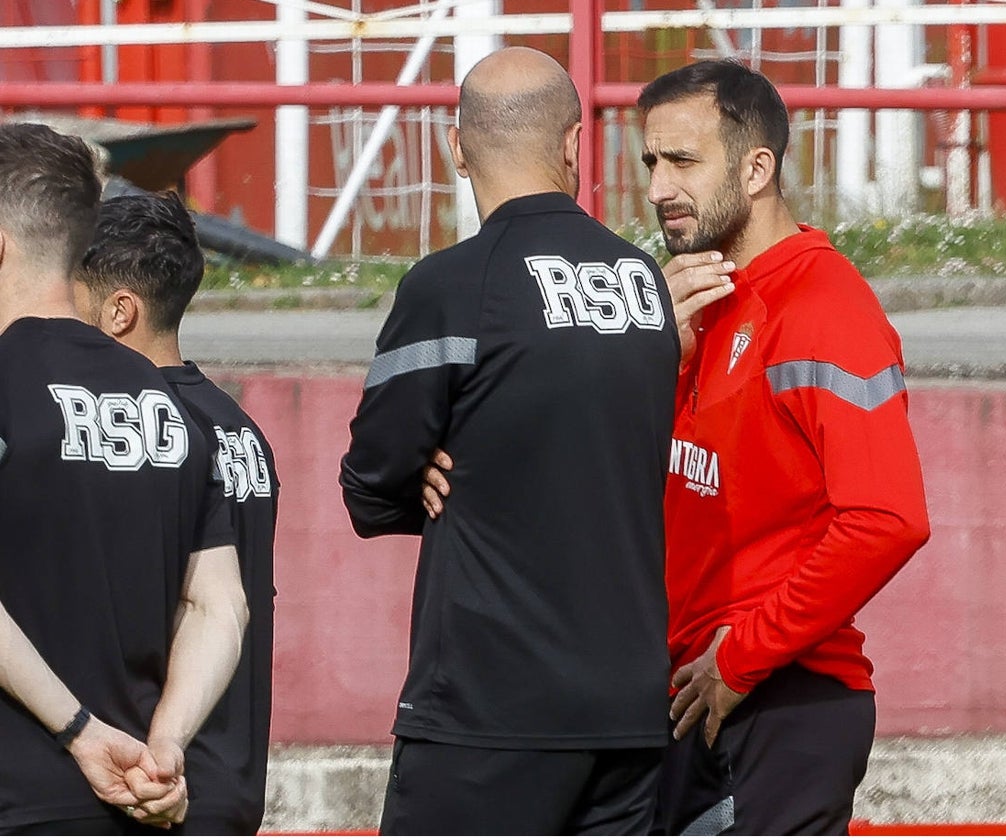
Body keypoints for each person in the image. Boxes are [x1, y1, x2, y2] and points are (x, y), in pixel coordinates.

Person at [339, 46, 680, 835]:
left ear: (456, 151)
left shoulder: (450, 285)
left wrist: (421, 478)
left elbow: (368, 482)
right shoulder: (642, 282)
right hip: (629, 703)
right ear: (573, 145)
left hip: (489, 709)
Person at [636, 60, 932, 835]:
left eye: (684, 161)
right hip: (692, 698)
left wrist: (741, 659)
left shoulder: (825, 307)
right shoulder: (692, 303)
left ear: (757, 167)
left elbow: (886, 518)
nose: (661, 185)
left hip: (779, 700)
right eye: (651, 162)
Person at [0, 122, 247, 834]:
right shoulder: (167, 400)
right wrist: (166, 745)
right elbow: (219, 606)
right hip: (139, 799)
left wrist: (79, 730)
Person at [73, 191, 280, 835]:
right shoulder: (241, 429)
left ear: (118, 311)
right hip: (233, 780)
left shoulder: (133, 436)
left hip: (153, 783)